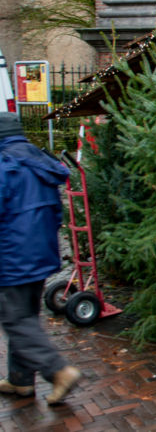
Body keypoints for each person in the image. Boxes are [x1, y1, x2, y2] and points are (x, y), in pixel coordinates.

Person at [0, 112, 81, 405]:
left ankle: (58, 371)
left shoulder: (5, 165)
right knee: (25, 317)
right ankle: (20, 380)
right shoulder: (37, 161)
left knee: (15, 320)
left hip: (12, 257)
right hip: (41, 255)